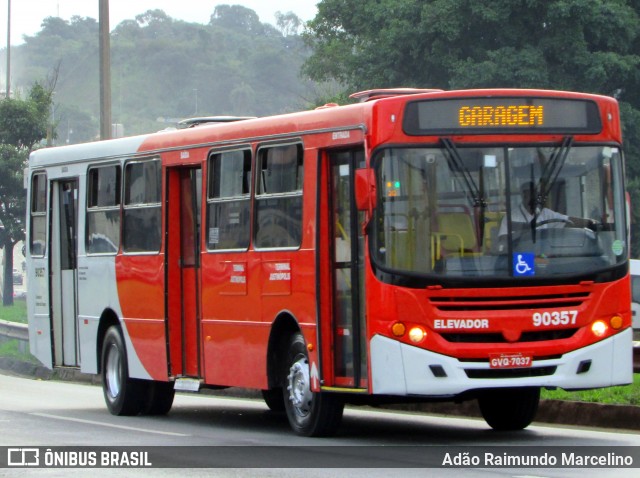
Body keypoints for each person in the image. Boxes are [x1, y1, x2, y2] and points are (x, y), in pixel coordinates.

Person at [498, 181, 596, 237]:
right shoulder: (510, 217)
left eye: (536, 195)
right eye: (530, 195)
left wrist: (590, 223)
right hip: (521, 257)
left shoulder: (545, 214)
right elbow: (502, 240)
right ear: (523, 196)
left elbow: (567, 220)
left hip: (544, 255)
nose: (534, 198)